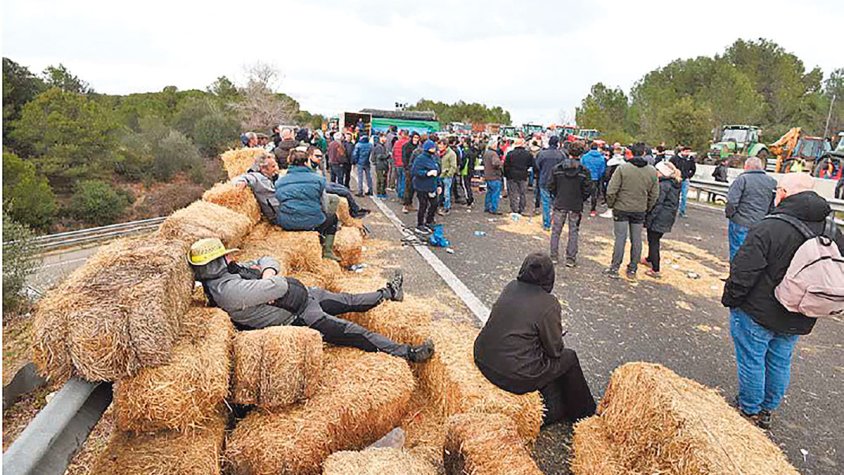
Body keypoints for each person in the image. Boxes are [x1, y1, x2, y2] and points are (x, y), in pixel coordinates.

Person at [722, 173, 843, 429]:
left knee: (753, 359)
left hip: (759, 311)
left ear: (785, 193)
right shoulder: (833, 230)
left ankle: (749, 408)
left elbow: (744, 271)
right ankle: (767, 409)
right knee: (780, 360)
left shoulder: (770, 226)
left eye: (778, 190)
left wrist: (731, 299)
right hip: (803, 310)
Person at [188, 238, 435, 362]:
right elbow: (279, 284)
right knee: (355, 332)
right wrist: (270, 280)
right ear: (215, 265)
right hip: (299, 317)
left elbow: (268, 259)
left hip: (303, 298)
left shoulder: (231, 274)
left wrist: (266, 275)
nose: (231, 259)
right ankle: (409, 353)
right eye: (224, 258)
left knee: (348, 300)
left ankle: (388, 293)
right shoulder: (229, 290)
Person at [474, 253, 597, 425]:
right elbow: (555, 351)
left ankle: (559, 401)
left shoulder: (511, 287)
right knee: (569, 358)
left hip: (482, 358)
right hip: (514, 376)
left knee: (538, 353)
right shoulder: (549, 303)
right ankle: (585, 415)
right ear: (549, 277)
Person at [274, 150, 342, 261]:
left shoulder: (279, 181)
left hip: (287, 223)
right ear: (307, 162)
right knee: (333, 218)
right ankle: (327, 251)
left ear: (289, 163)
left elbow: (277, 201)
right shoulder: (318, 179)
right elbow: (324, 203)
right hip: (312, 222)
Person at [605, 143, 659, 280]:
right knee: (637, 240)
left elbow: (611, 190)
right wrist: (647, 207)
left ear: (630, 152)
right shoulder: (652, 171)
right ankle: (632, 268)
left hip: (621, 208)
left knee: (620, 239)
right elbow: (654, 194)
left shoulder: (623, 168)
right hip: (639, 209)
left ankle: (614, 267)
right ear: (644, 153)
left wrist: (612, 205)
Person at [547, 141, 591, 267]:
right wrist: (581, 198)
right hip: (575, 204)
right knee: (573, 231)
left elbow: (551, 185)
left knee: (556, 230)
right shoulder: (584, 171)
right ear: (581, 154)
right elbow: (588, 189)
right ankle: (570, 258)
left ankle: (554, 256)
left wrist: (557, 195)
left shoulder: (558, 169)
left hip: (560, 202)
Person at [725, 157, 776, 261]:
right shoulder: (772, 182)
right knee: (754, 252)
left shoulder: (742, 179)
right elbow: (773, 204)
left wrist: (731, 215)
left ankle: (736, 275)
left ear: (746, 166)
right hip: (760, 223)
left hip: (741, 221)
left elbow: (732, 201)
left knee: (737, 250)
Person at [642, 161, 682, 279]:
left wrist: (649, 217)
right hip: (668, 216)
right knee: (654, 239)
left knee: (654, 241)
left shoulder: (663, 185)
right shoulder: (674, 184)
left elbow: (657, 204)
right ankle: (649, 258)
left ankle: (655, 268)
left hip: (659, 216)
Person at [307, 147, 371, 218]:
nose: (319, 158)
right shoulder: (308, 165)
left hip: (323, 183)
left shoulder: (318, 164)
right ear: (310, 156)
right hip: (319, 185)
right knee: (344, 192)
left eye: (321, 156)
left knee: (344, 188)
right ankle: (355, 211)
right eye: (317, 156)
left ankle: (355, 209)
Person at [533, 136, 566, 230]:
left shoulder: (542, 154)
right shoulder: (561, 155)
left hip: (544, 180)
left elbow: (537, 166)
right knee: (555, 203)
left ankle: (547, 224)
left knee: (546, 203)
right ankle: (555, 222)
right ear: (557, 143)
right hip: (557, 182)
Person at [411, 139, 440, 235]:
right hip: (421, 186)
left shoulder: (434, 158)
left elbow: (437, 172)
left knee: (434, 204)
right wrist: (427, 173)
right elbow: (414, 171)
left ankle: (429, 221)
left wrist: (438, 185)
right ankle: (420, 224)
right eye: (432, 148)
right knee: (423, 205)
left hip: (432, 186)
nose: (434, 149)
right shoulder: (420, 158)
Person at [503, 138, 533, 215]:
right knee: (522, 193)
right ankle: (521, 208)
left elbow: (505, 165)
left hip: (511, 175)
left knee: (513, 193)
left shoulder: (510, 154)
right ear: (523, 144)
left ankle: (514, 209)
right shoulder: (528, 154)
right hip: (523, 175)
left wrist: (506, 175)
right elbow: (532, 164)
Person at [581, 143, 607, 218]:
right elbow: (602, 169)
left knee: (582, 192)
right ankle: (593, 209)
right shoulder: (601, 158)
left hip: (586, 177)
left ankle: (581, 207)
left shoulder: (585, 157)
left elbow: (582, 165)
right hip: (595, 178)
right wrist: (598, 176)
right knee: (594, 194)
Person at [670, 146, 696, 218]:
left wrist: (688, 176)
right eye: (686, 151)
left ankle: (682, 211)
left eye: (689, 152)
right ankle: (673, 210)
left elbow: (693, 169)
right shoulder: (674, 158)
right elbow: (669, 167)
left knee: (684, 196)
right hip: (676, 179)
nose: (687, 153)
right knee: (675, 196)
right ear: (682, 151)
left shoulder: (690, 159)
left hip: (685, 179)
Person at [483, 140, 504, 215]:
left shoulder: (486, 152)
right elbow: (495, 163)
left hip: (487, 175)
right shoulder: (494, 154)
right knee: (495, 193)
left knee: (489, 192)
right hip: (494, 176)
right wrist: (501, 164)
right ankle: (494, 208)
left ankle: (487, 207)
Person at [402, 133, 421, 214]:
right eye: (415, 137)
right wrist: (407, 168)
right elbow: (404, 157)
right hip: (409, 169)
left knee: (413, 188)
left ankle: (410, 204)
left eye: (417, 138)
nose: (416, 139)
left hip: (415, 170)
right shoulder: (407, 146)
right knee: (408, 187)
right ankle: (405, 205)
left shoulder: (418, 147)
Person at [438, 139, 458, 214]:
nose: (439, 146)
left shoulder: (451, 154)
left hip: (446, 177)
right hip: (439, 175)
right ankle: (440, 205)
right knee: (440, 192)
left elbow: (453, 166)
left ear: (445, 145)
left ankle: (447, 207)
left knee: (446, 193)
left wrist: (449, 174)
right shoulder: (439, 153)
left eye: (440, 145)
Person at [459, 138, 479, 208]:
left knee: (465, 186)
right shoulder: (473, 151)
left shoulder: (466, 152)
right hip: (471, 170)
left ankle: (469, 201)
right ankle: (471, 200)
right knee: (468, 186)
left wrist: (460, 169)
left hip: (465, 171)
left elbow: (463, 163)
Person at [372, 134, 391, 199]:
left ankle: (381, 192)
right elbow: (379, 156)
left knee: (382, 179)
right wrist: (388, 155)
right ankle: (380, 193)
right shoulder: (379, 147)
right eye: (384, 137)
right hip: (381, 165)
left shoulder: (381, 146)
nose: (385, 139)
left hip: (382, 165)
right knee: (381, 179)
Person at [393, 131, 409, 199]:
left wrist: (395, 161)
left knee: (399, 178)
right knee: (404, 180)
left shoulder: (397, 142)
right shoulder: (408, 143)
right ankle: (402, 194)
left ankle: (399, 193)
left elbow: (393, 152)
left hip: (397, 163)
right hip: (404, 164)